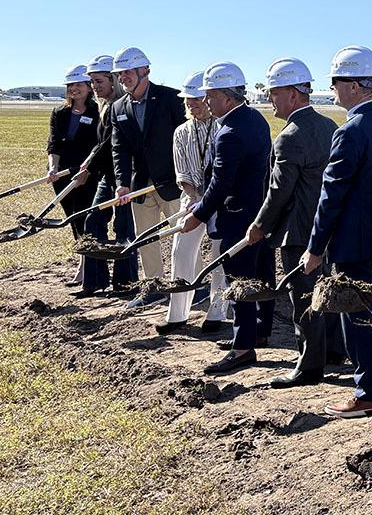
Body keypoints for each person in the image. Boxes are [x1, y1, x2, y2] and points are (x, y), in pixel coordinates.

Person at [303, 45, 372, 418]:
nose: (333, 90)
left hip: (353, 241)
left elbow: (331, 196)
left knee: (356, 315)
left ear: (354, 85)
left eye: (335, 82)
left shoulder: (350, 130)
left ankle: (368, 390)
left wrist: (315, 247)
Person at [246, 57, 340, 388]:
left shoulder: (290, 136)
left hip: (297, 232)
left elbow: (279, 191)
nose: (270, 98)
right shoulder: (329, 126)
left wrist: (259, 225)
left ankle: (309, 367)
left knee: (304, 300)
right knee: (327, 292)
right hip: (327, 226)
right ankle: (333, 351)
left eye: (274, 92)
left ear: (293, 94)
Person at [178, 62, 271, 373]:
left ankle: (243, 348)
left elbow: (221, 184)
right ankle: (258, 331)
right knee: (258, 277)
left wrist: (198, 214)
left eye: (211, 96)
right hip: (259, 211)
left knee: (240, 281)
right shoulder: (256, 119)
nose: (206, 102)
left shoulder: (229, 132)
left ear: (229, 98)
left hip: (237, 216)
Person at [109, 46, 187, 310]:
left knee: (184, 236)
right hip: (140, 186)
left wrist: (186, 176)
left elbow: (186, 137)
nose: (124, 78)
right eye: (120, 74)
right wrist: (122, 184)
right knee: (145, 238)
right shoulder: (118, 107)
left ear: (145, 70)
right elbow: (118, 148)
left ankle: (191, 287)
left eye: (129, 71)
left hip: (173, 184)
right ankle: (153, 287)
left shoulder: (171, 98)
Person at [157, 71, 227, 334]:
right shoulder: (181, 132)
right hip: (191, 199)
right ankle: (177, 314)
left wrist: (210, 201)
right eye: (187, 100)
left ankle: (217, 311)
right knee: (181, 252)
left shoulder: (223, 128)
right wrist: (197, 201)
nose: (191, 105)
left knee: (219, 255)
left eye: (196, 99)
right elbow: (182, 173)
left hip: (221, 201)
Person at [78, 54, 138, 298]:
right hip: (107, 176)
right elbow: (102, 143)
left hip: (125, 178)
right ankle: (94, 282)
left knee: (124, 228)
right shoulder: (103, 106)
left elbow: (110, 145)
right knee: (92, 221)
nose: (94, 86)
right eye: (91, 81)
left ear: (113, 79)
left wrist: (89, 165)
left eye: (99, 81)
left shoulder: (123, 105)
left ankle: (125, 285)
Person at [48, 64, 101, 290]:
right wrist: (52, 168)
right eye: (70, 85)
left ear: (89, 87)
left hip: (87, 175)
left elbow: (100, 144)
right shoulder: (60, 113)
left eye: (78, 85)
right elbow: (53, 143)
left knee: (84, 220)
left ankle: (86, 267)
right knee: (73, 220)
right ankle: (83, 262)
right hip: (63, 176)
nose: (74, 89)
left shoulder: (97, 111)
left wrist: (87, 169)